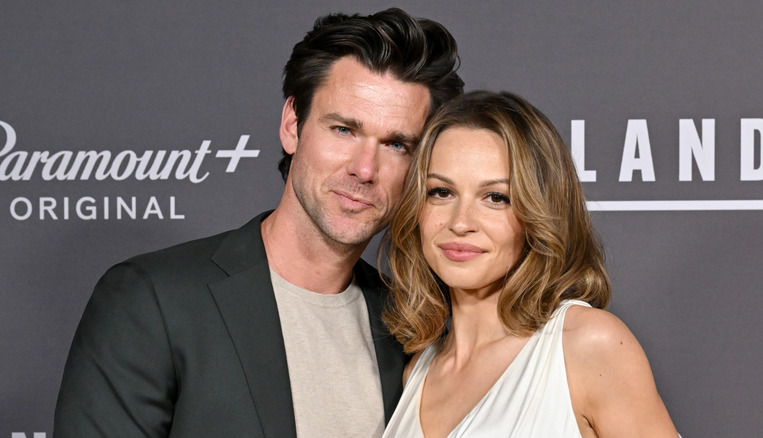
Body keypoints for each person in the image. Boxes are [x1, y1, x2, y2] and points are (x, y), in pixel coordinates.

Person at [54, 8, 463, 437]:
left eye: (397, 144)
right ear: (292, 124)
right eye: (343, 130)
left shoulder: (414, 325)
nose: (365, 169)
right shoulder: (152, 300)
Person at [381, 91, 679, 437]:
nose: (460, 222)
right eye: (441, 192)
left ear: (537, 214)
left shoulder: (588, 346)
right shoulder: (419, 371)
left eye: (496, 197)